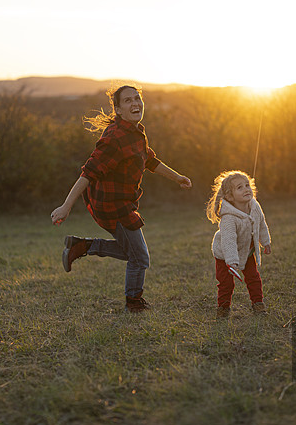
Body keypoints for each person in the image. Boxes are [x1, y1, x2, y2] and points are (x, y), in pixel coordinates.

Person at [50, 84, 192, 313]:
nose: (135, 103)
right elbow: (88, 173)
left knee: (132, 252)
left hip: (123, 203)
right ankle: (133, 303)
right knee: (140, 258)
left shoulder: (136, 133)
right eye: (128, 100)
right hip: (112, 206)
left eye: (137, 98)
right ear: (118, 109)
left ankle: (82, 246)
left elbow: (150, 160)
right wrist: (66, 206)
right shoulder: (115, 137)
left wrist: (177, 178)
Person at [206, 170, 272, 317]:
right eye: (240, 187)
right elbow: (228, 241)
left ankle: (258, 304)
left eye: (247, 185)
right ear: (230, 196)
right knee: (226, 283)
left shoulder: (254, 206)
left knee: (253, 278)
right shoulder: (228, 218)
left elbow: (261, 224)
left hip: (246, 251)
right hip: (225, 256)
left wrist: (265, 242)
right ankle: (223, 309)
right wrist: (232, 262)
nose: (246, 189)